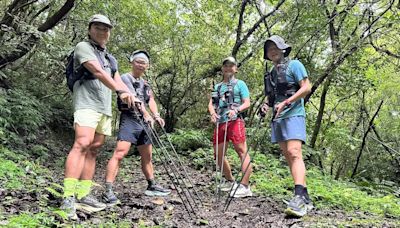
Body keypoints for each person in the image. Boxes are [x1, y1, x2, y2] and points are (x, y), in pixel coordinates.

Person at [61, 14, 138, 220]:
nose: (103, 32)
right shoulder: (83, 47)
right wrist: (121, 92)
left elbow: (117, 81)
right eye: (98, 27)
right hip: (87, 103)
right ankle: (68, 196)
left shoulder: (110, 58)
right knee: (82, 143)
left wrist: (132, 96)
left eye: (106, 29)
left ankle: (84, 194)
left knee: (94, 149)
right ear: (89, 29)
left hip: (104, 108)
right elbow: (97, 71)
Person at [102, 50, 171, 206]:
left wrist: (156, 115)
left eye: (144, 62)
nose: (140, 64)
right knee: (120, 152)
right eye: (138, 61)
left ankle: (152, 184)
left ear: (147, 65)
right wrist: (147, 115)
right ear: (132, 62)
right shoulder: (125, 78)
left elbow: (150, 99)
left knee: (147, 156)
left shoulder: (145, 83)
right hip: (130, 118)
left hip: (144, 123)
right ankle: (108, 190)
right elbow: (135, 101)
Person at [260, 35, 312, 217]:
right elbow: (272, 96)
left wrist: (287, 102)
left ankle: (298, 197)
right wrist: (266, 106)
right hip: (277, 118)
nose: (272, 51)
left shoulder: (295, 65)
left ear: (283, 49)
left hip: (294, 113)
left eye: (275, 47)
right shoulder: (272, 73)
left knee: (294, 152)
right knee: (289, 157)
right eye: (269, 49)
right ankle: (305, 196)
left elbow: (306, 87)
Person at [208, 57, 252, 198]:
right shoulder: (218, 87)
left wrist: (237, 110)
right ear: (222, 69)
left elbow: (247, 103)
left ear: (235, 69)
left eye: (231, 66)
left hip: (235, 120)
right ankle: (230, 181)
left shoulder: (240, 84)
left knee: (241, 150)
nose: (228, 68)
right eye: (225, 66)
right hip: (221, 121)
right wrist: (212, 113)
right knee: (218, 153)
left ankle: (245, 186)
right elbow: (212, 103)